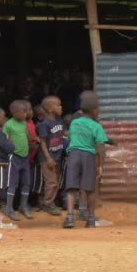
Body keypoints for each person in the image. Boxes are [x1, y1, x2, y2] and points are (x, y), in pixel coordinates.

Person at [63, 91, 108, 229]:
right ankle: (91, 220)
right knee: (90, 189)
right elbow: (100, 148)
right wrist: (100, 165)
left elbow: (70, 139)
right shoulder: (97, 126)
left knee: (71, 188)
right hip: (88, 156)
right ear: (95, 111)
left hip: (74, 155)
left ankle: (70, 218)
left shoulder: (74, 123)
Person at [2, 100, 33, 221]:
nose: (26, 114)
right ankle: (9, 209)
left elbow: (26, 136)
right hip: (14, 157)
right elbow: (5, 141)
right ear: (14, 113)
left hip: (25, 157)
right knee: (12, 183)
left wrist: (33, 140)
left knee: (26, 182)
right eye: (23, 112)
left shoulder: (24, 123)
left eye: (26, 111)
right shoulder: (8, 125)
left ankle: (23, 206)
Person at [37, 96, 64, 216]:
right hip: (47, 158)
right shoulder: (45, 124)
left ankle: (48, 201)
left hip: (57, 155)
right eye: (58, 105)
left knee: (55, 181)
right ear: (50, 109)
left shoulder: (59, 120)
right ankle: (48, 204)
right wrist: (48, 158)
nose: (61, 107)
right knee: (51, 181)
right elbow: (42, 141)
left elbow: (63, 133)